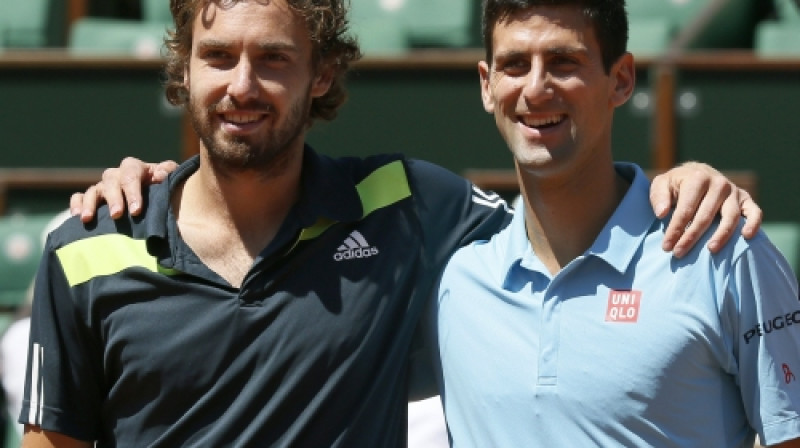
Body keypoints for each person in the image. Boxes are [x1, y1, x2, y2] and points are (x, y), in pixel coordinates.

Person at [43, 0, 761, 447]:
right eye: (219, 57)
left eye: (273, 59)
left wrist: (674, 182)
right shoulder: (87, 246)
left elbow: (562, 221)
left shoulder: (407, 204)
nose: (241, 85)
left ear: (320, 73)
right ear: (186, 68)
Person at [431, 1, 800, 447]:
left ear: (621, 79)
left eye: (563, 62)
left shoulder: (724, 251)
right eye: (514, 64)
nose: (535, 87)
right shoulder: (455, 281)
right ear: (487, 86)